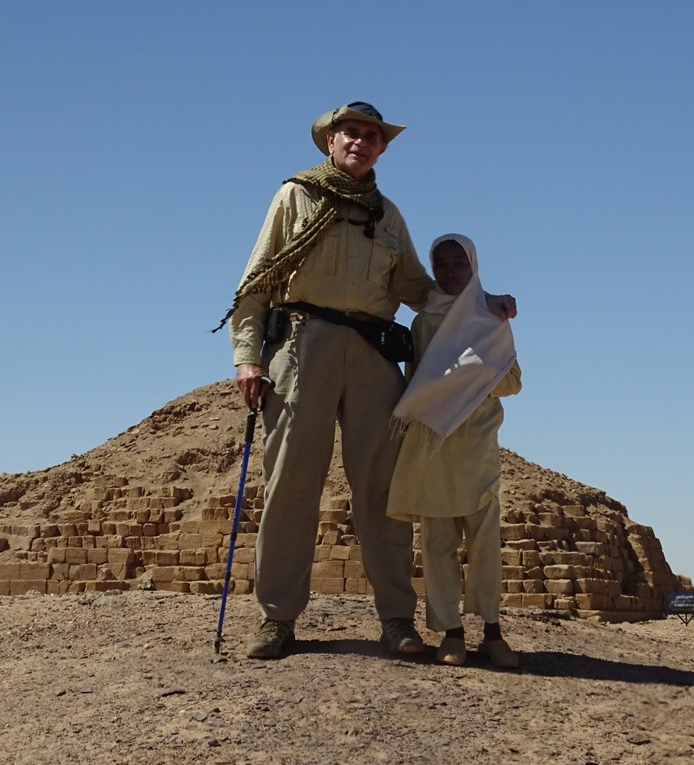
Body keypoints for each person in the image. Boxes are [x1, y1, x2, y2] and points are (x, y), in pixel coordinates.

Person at [217, 103, 517, 659]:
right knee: (291, 484)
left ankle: (397, 620)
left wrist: (482, 301)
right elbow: (256, 280)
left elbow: (419, 288)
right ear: (330, 142)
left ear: (382, 149)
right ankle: (277, 618)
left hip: (373, 350)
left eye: (371, 137)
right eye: (350, 133)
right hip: (304, 345)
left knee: (381, 489)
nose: (361, 142)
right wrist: (248, 358)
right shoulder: (295, 197)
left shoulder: (388, 215)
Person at [387, 233, 522, 668]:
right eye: (441, 265)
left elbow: (512, 381)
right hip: (434, 446)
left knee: (484, 544)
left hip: (476, 445)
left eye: (458, 264)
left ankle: (493, 633)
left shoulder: (492, 316)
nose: (449, 273)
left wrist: (469, 375)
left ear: (474, 266)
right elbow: (421, 387)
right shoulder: (424, 322)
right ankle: (452, 634)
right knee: (438, 543)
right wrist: (460, 378)